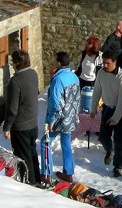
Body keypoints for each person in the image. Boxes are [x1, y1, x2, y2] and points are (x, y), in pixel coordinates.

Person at [2, 49, 43, 187]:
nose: (12, 64)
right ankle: (37, 178)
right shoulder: (33, 73)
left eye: (12, 62)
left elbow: (12, 109)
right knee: (32, 153)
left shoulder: (15, 82)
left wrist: (7, 127)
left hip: (20, 127)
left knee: (23, 158)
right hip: (33, 123)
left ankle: (30, 184)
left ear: (16, 63)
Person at [89, 50, 122, 178]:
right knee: (103, 136)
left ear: (114, 62)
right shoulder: (101, 73)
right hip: (107, 107)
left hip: (120, 110)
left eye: (107, 63)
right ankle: (110, 150)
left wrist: (116, 118)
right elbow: (97, 91)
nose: (105, 66)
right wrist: (93, 108)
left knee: (119, 140)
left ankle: (118, 166)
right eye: (103, 63)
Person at [45, 51, 80, 184]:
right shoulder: (74, 77)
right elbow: (77, 99)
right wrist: (75, 115)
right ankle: (68, 172)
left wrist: (50, 121)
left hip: (59, 119)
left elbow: (54, 102)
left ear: (59, 63)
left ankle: (46, 172)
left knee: (45, 143)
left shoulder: (58, 79)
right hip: (70, 117)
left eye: (54, 60)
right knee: (66, 144)